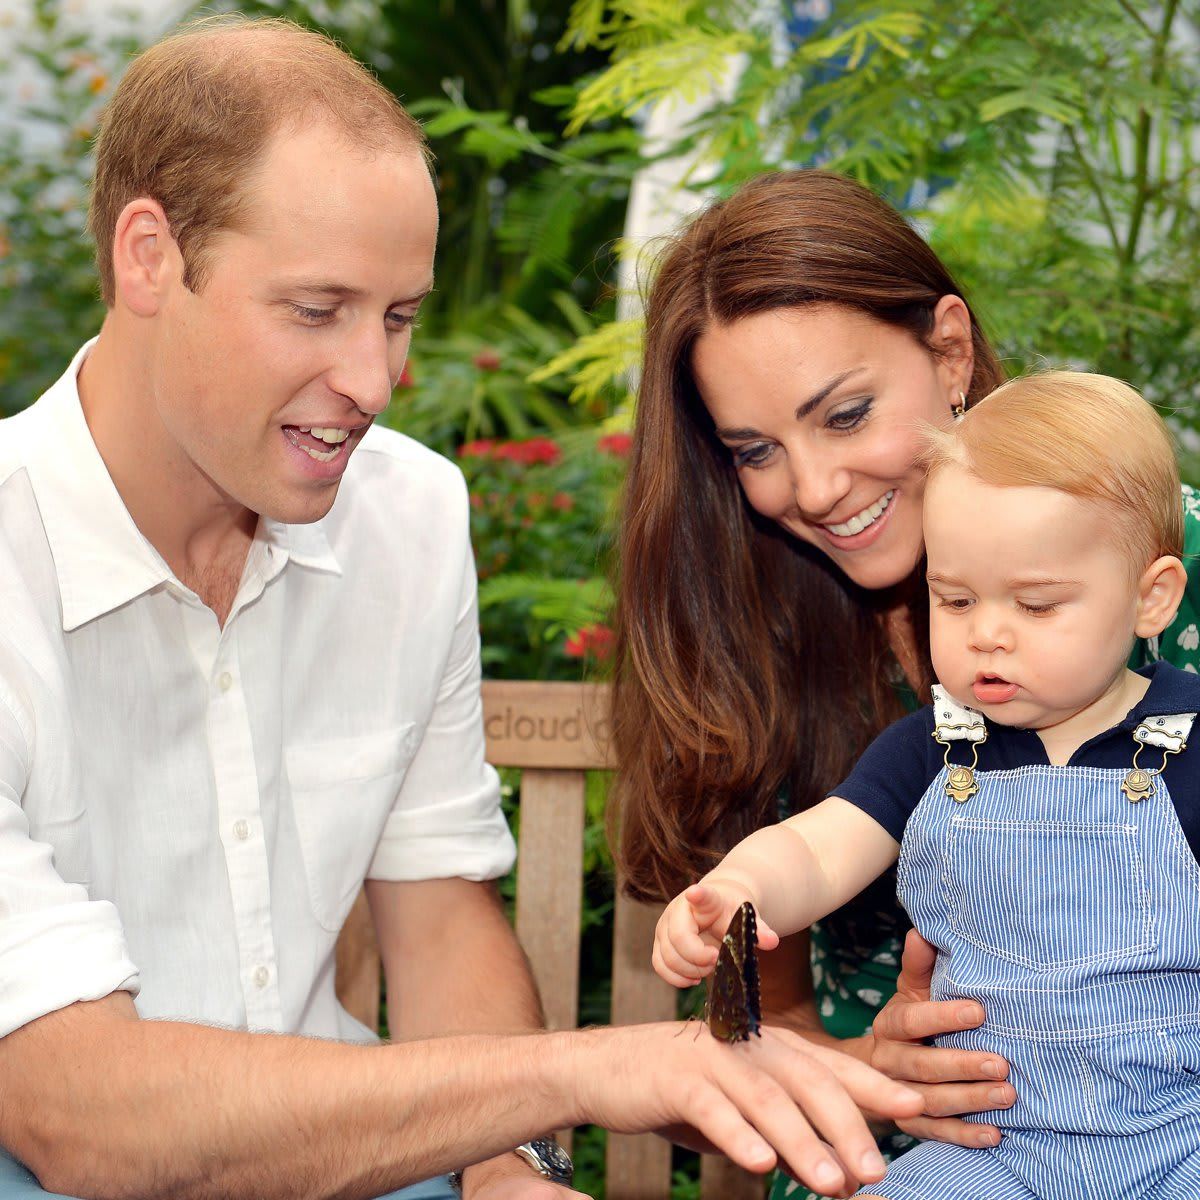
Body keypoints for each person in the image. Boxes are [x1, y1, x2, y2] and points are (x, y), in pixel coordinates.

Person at [0, 19, 923, 1200]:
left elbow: (436, 916)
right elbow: (77, 1115)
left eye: (398, 317)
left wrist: (511, 1173)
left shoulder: (409, 515)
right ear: (149, 257)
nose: (377, 384)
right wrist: (584, 1074)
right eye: (318, 308)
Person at [610, 170, 1200, 1196]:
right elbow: (754, 1022)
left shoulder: (1138, 533)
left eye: (843, 415)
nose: (815, 487)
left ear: (951, 351)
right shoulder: (767, 642)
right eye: (756, 449)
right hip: (928, 1156)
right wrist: (863, 1074)